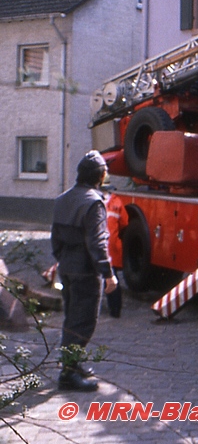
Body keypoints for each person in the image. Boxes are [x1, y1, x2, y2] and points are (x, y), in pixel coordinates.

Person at [51, 151, 119, 391]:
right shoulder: (94, 203)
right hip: (86, 271)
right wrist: (108, 273)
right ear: (100, 176)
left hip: (67, 267)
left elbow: (55, 239)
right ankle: (68, 374)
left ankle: (73, 364)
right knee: (83, 323)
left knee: (72, 318)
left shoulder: (62, 199)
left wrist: (63, 260)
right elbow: (97, 243)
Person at [103, 179, 127, 318]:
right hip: (114, 245)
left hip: (100, 244)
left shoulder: (95, 202)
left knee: (99, 277)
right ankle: (116, 309)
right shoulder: (117, 202)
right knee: (112, 276)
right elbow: (124, 222)